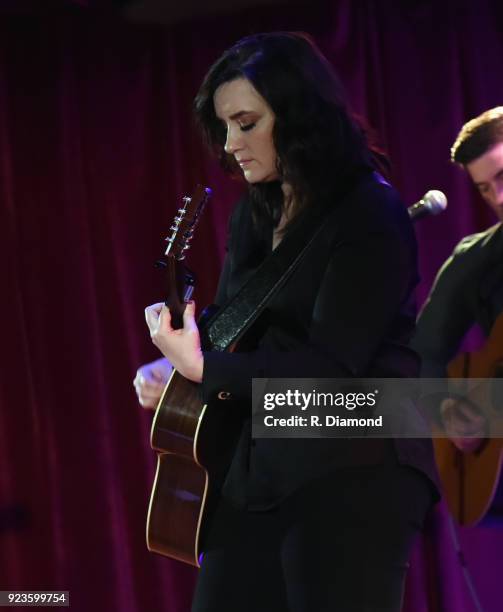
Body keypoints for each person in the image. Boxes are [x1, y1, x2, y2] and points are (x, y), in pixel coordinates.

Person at [135, 32, 438, 612]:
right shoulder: (255, 215)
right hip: (262, 465)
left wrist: (207, 366)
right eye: (224, 127)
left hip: (353, 461)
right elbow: (231, 331)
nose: (231, 145)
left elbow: (331, 369)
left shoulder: (370, 213)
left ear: (298, 115)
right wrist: (177, 362)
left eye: (247, 123)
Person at [411, 107, 503, 453]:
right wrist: (446, 407)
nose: (498, 198)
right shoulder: (475, 259)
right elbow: (420, 356)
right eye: (483, 188)